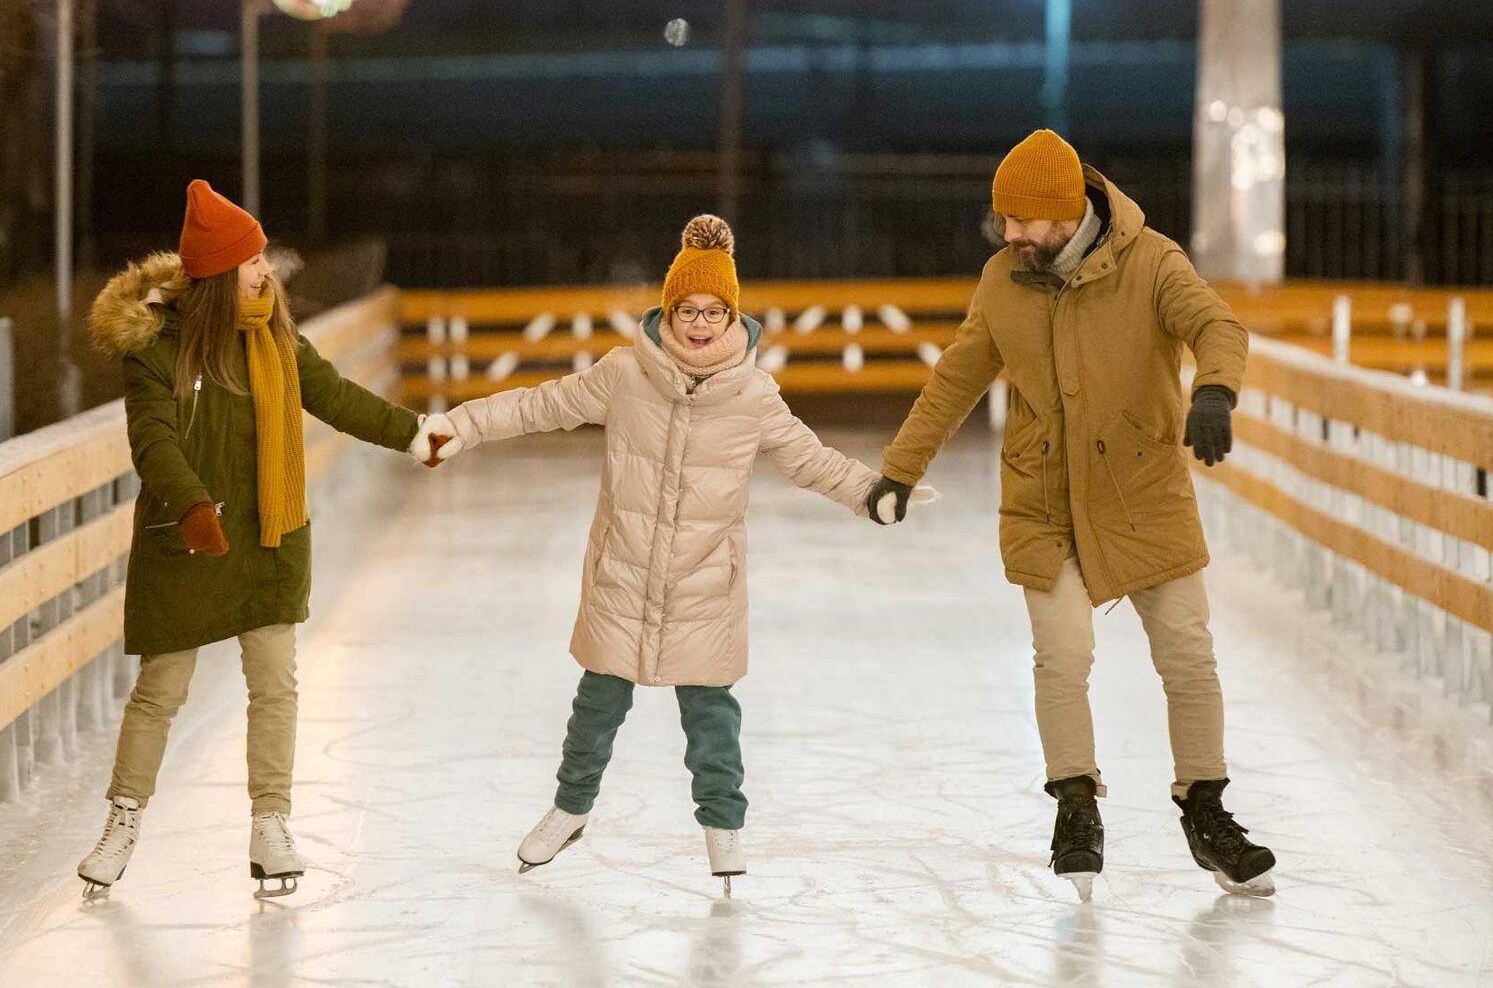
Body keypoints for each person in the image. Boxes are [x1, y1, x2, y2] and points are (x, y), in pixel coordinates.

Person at [867, 130, 1276, 900]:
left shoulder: (1151, 261)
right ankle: (1076, 805)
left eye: (1024, 222)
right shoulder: (1002, 281)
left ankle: (1206, 808)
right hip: (1043, 499)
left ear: (1065, 213)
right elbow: (955, 379)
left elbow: (1217, 327)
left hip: (1143, 490)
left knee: (1188, 657)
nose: (1010, 235)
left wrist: (1215, 390)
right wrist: (899, 469)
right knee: (1062, 658)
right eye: (1005, 222)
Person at [427, 215, 882, 896]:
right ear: (669, 310)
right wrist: (460, 425)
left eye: (713, 311)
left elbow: (808, 459)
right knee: (598, 703)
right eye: (688, 310)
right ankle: (570, 809)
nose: (700, 323)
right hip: (625, 571)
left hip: (704, 580)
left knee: (711, 716)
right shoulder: (624, 374)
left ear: (733, 315)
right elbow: (539, 405)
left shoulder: (754, 396)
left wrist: (872, 493)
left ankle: (723, 828)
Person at [78, 180, 449, 899]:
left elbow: (336, 396)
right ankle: (123, 821)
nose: (266, 272)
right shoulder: (158, 348)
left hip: (270, 535)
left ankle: (270, 824)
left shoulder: (276, 337)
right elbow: (151, 439)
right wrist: (190, 506)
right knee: (160, 690)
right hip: (187, 539)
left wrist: (411, 433)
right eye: (252, 262)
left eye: (263, 258)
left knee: (274, 685)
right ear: (217, 276)